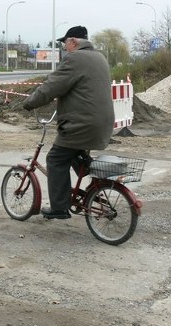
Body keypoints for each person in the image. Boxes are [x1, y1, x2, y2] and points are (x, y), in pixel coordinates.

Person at [23, 25, 115, 220]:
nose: (65, 48)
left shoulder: (74, 59)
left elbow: (51, 87)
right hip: (103, 123)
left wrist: (29, 103)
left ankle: (59, 207)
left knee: (55, 159)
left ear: (73, 41)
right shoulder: (100, 57)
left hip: (81, 125)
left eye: (65, 43)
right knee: (75, 156)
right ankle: (92, 191)